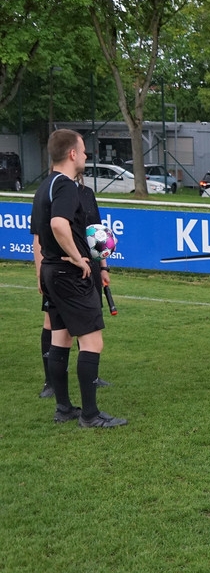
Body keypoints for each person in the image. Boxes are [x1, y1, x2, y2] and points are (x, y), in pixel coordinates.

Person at [30, 129, 125, 427]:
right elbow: (58, 224)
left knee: (60, 339)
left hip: (51, 271)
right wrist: (75, 256)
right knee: (92, 342)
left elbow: (45, 232)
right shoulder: (66, 186)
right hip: (69, 274)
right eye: (83, 151)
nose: (85, 156)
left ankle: (64, 408)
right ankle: (90, 415)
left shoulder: (44, 186)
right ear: (72, 154)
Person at [38, 174, 113, 398]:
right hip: (64, 270)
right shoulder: (53, 190)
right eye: (82, 155)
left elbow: (97, 233)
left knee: (85, 326)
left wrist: (104, 267)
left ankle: (86, 383)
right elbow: (40, 236)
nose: (85, 159)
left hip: (88, 268)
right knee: (55, 326)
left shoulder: (86, 193)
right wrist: (39, 273)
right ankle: (51, 383)